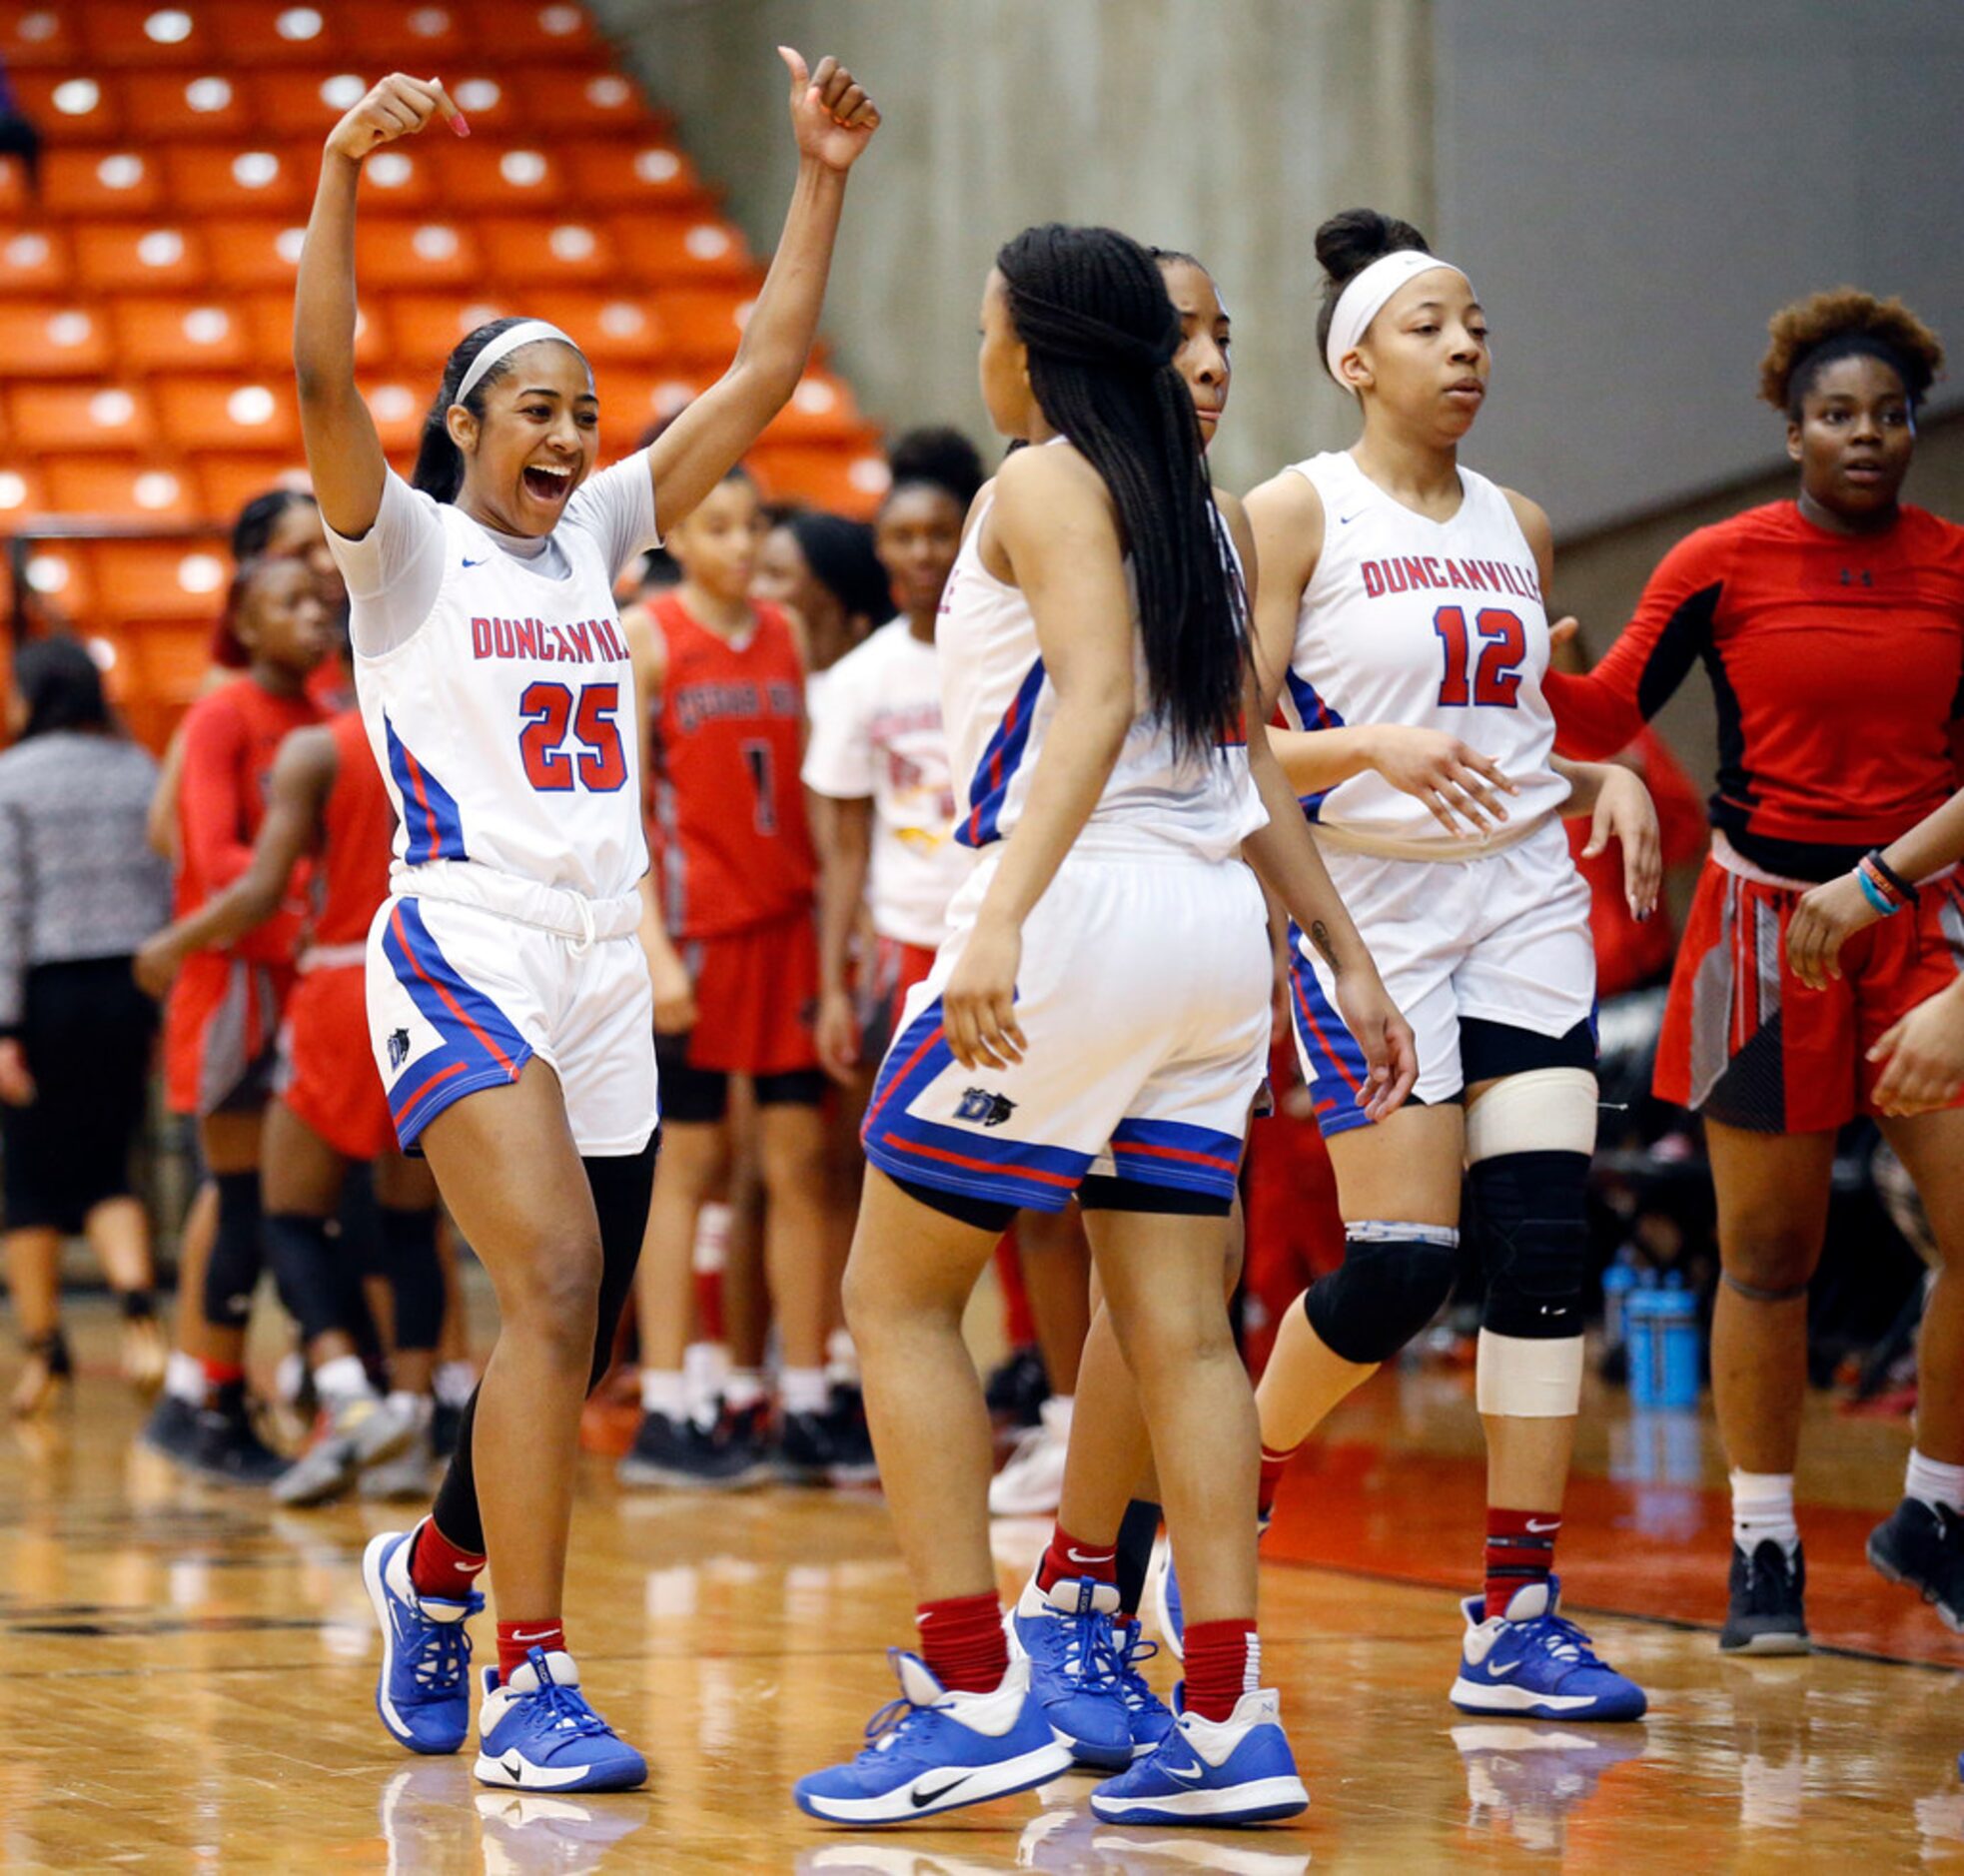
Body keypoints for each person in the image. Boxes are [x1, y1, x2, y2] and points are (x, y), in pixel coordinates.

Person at [294, 55, 878, 1792]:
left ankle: (435, 1563)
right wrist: (340, 170)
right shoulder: (396, 550)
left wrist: (821, 172)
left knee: (581, 1319)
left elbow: (765, 368)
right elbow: (322, 367)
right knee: (549, 1281)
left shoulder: (605, 533)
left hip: (602, 960)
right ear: (462, 424)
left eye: (582, 408)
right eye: (532, 406)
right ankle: (529, 1677)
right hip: (461, 937)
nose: (568, 434)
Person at [795, 221, 1414, 1829]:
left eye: (990, 319)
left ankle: (967, 1688)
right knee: (1180, 1329)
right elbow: (1242, 761)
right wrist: (1338, 951)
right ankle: (1226, 1717)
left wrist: (993, 915)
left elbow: (1087, 702)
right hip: (1214, 931)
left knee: (896, 1292)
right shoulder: (1199, 514)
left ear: (1040, 342)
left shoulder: (1046, 480)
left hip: (1076, 909)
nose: (978, 345)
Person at [1156, 209, 1659, 1724]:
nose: (1467, 350)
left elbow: (1509, 741)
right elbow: (1225, 746)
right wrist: (1364, 742)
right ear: (1353, 358)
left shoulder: (1520, 518)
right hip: (1366, 910)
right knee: (1400, 1268)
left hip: (1520, 907)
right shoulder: (1290, 511)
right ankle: (1232, 1474)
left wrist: (1601, 775)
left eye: (1480, 326)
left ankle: (1515, 1608)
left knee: (1540, 1256)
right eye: (1433, 327)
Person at [1551, 289, 1964, 1652]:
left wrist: (1886, 882)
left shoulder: (1955, 563)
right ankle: (1763, 1544)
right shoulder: (1718, 558)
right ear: (1787, 431)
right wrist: (1542, 681)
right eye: (1835, 414)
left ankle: (1933, 1509)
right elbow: (1606, 713)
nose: (1865, 436)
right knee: (1766, 1251)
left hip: (1918, 920)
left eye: (1889, 415)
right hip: (1756, 927)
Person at [136, 617, 446, 1507]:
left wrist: (171, 944)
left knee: (286, 1210)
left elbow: (263, 887)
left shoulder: (318, 748)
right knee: (408, 1222)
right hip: (435, 983)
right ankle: (413, 1421)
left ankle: (347, 1394)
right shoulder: (455, 738)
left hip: (344, 984)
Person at [617, 466, 860, 1487]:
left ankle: (803, 1394)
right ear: (675, 534)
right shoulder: (646, 635)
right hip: (698, 933)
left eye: (753, 522)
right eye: (716, 524)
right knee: (690, 1167)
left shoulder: (787, 633)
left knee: (802, 1164)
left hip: (788, 930)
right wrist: (652, 947)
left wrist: (836, 943)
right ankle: (670, 1402)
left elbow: (812, 800)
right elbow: (619, 810)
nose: (741, 541)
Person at [156, 555, 334, 1482]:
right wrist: (311, 889)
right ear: (244, 621)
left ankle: (288, 1392)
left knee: (292, 1206)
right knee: (241, 1204)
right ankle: (207, 1402)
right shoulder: (222, 714)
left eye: (321, 602)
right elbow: (215, 853)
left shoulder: (327, 719)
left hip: (304, 979)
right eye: (289, 604)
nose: (313, 617)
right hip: (233, 984)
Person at [0, 639, 171, 1413]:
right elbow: (168, 881)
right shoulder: (138, 769)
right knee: (108, 1162)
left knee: (30, 1180)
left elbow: (8, 909)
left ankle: (45, 1354)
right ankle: (139, 1311)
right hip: (129, 986)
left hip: (45, 996)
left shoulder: (13, 779)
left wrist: (4, 1029)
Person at [754, 506, 891, 692]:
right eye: (754, 573)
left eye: (775, 575)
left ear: (828, 590)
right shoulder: (758, 686)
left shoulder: (883, 687)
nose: (754, 589)